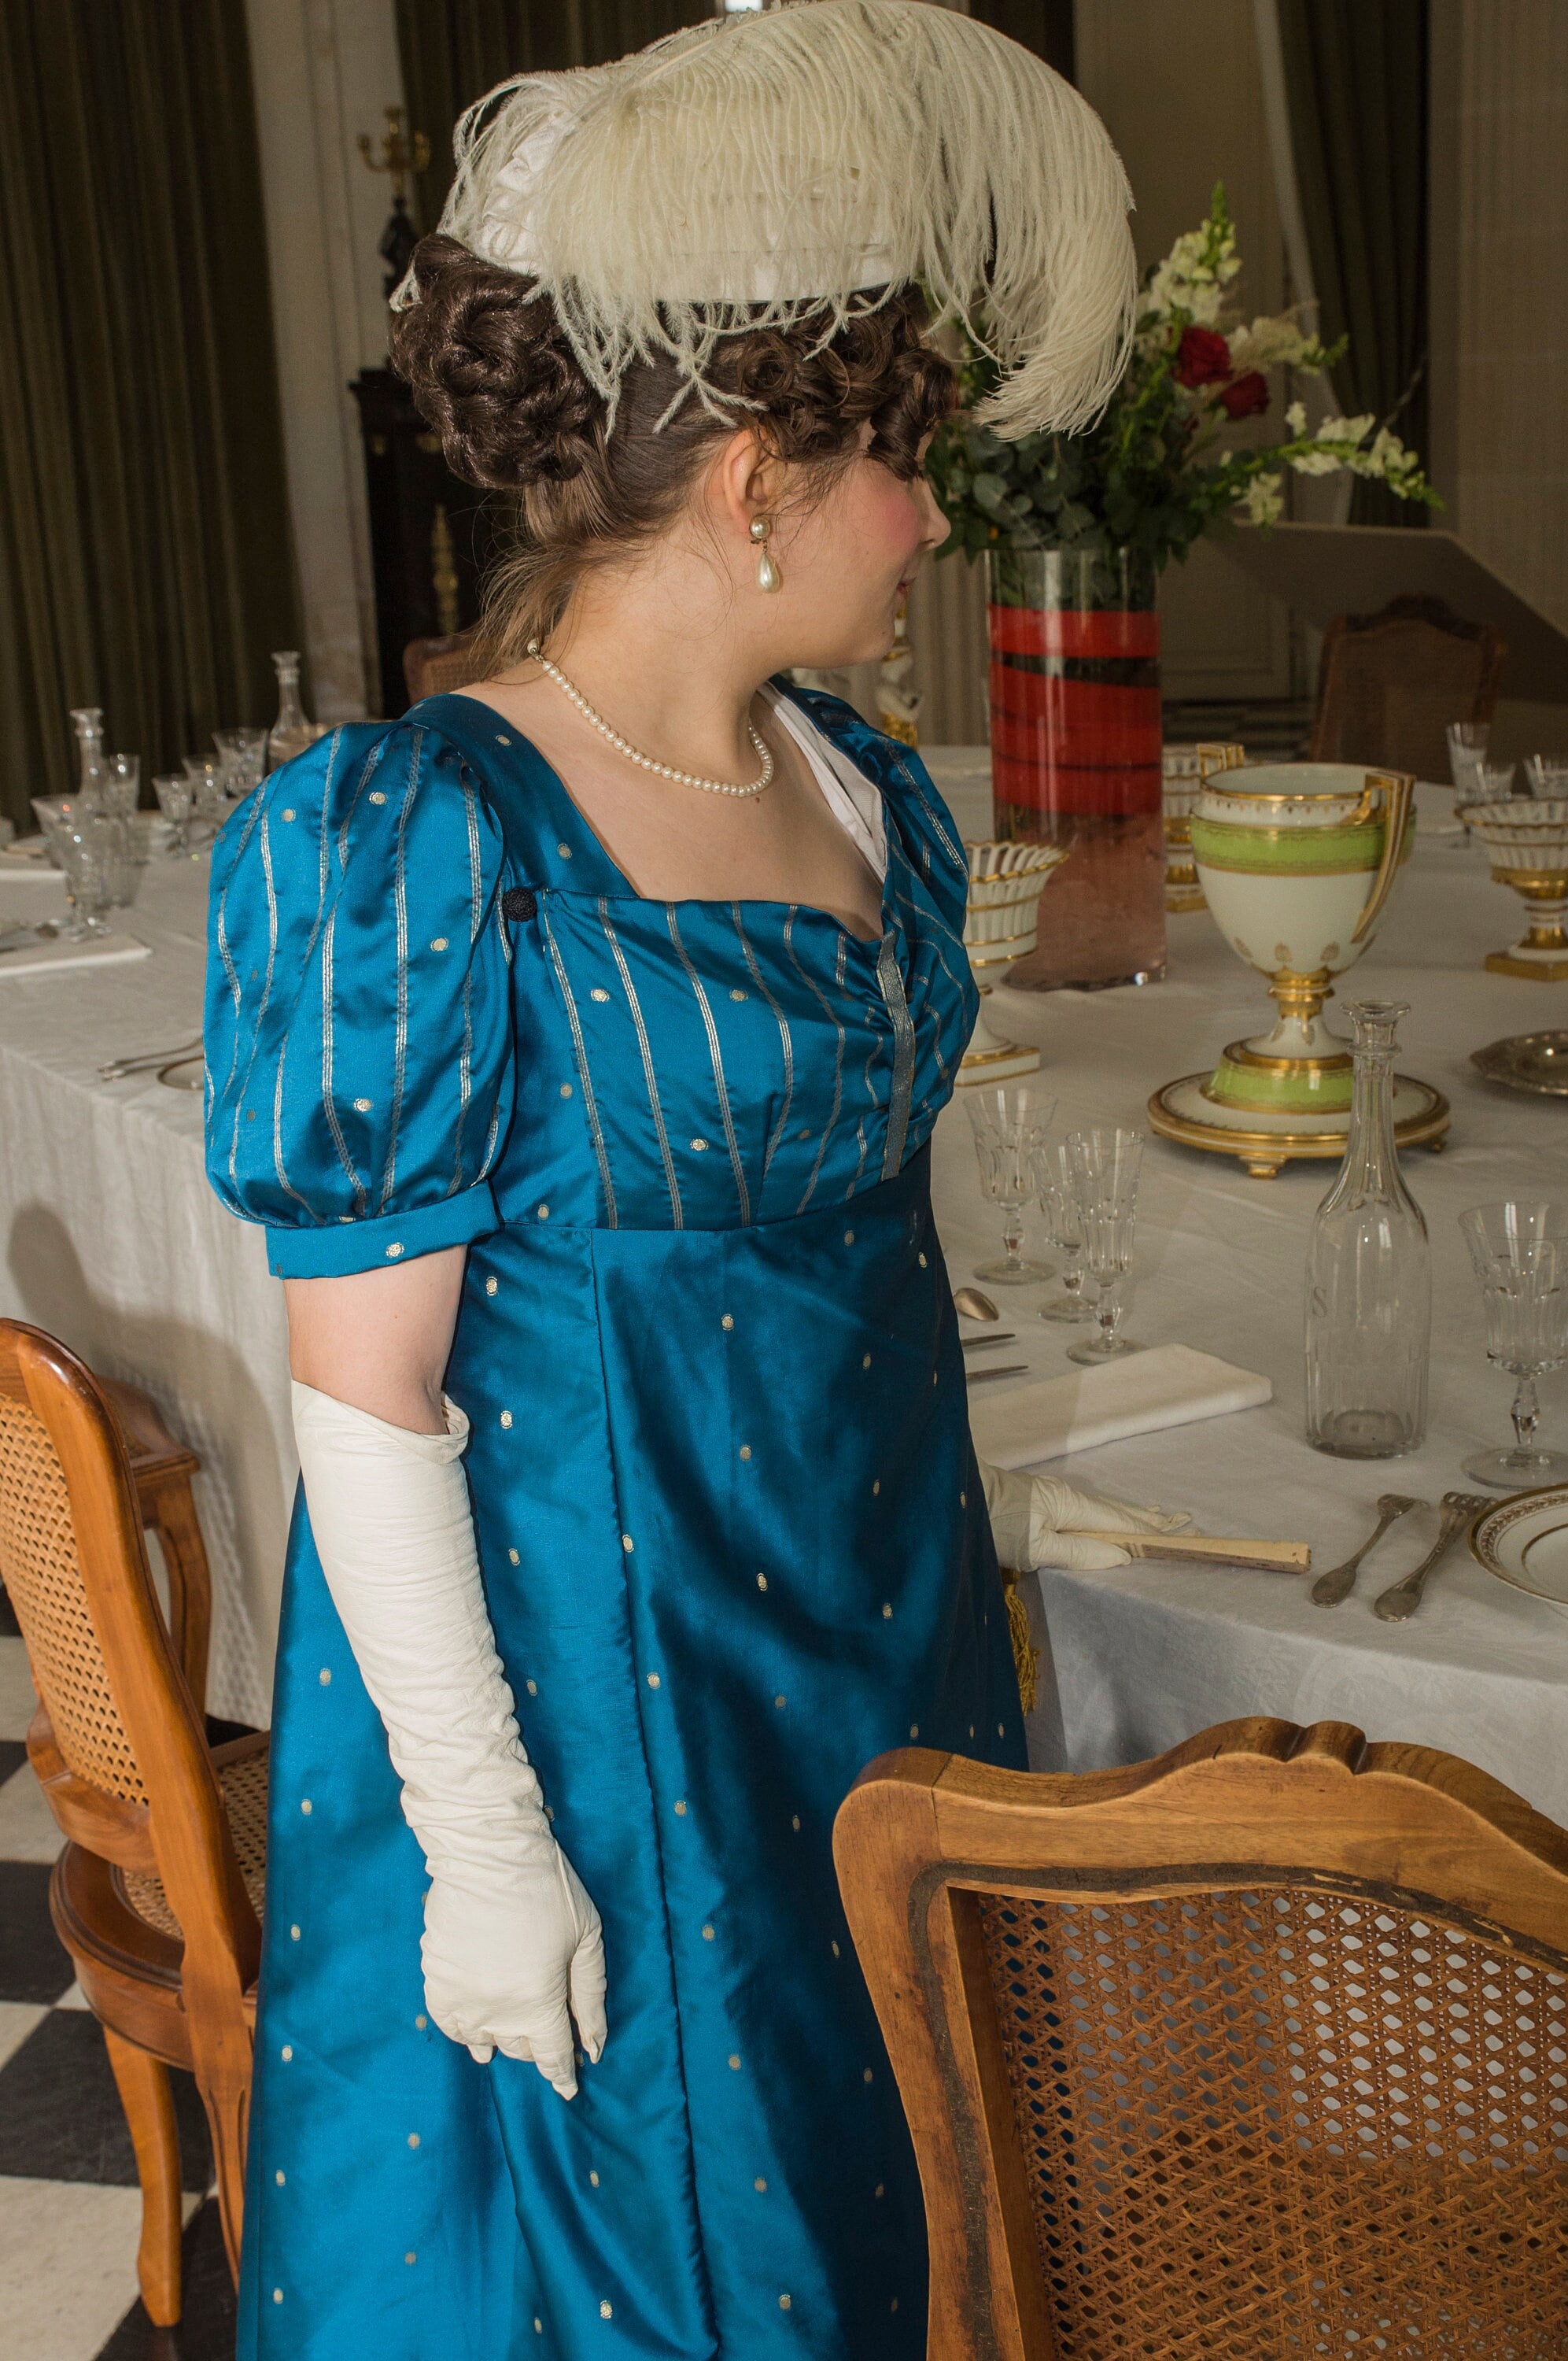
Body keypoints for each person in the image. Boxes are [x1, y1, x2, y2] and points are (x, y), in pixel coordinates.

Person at [205, 7, 1174, 2353]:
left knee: (902, 2209)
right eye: (900, 463)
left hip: (879, 1642)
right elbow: (366, 1402)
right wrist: (482, 1840)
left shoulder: (859, 786)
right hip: (594, 1706)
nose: (926, 516)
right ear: (758, 481)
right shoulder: (417, 837)